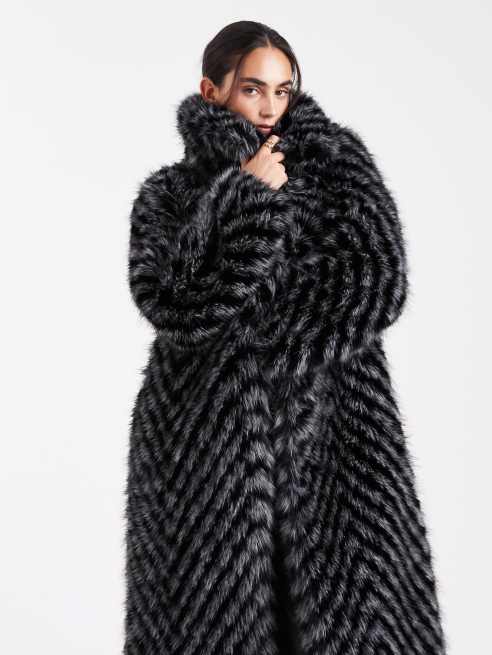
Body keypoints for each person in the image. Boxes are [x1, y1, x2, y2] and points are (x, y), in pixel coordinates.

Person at [124, 20, 447, 655]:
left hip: (337, 440)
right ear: (213, 91)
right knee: (212, 626)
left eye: (283, 89)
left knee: (355, 623)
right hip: (203, 446)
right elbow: (173, 303)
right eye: (252, 89)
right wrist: (243, 198)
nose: (271, 106)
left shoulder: (335, 165)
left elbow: (375, 278)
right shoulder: (169, 194)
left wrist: (250, 333)